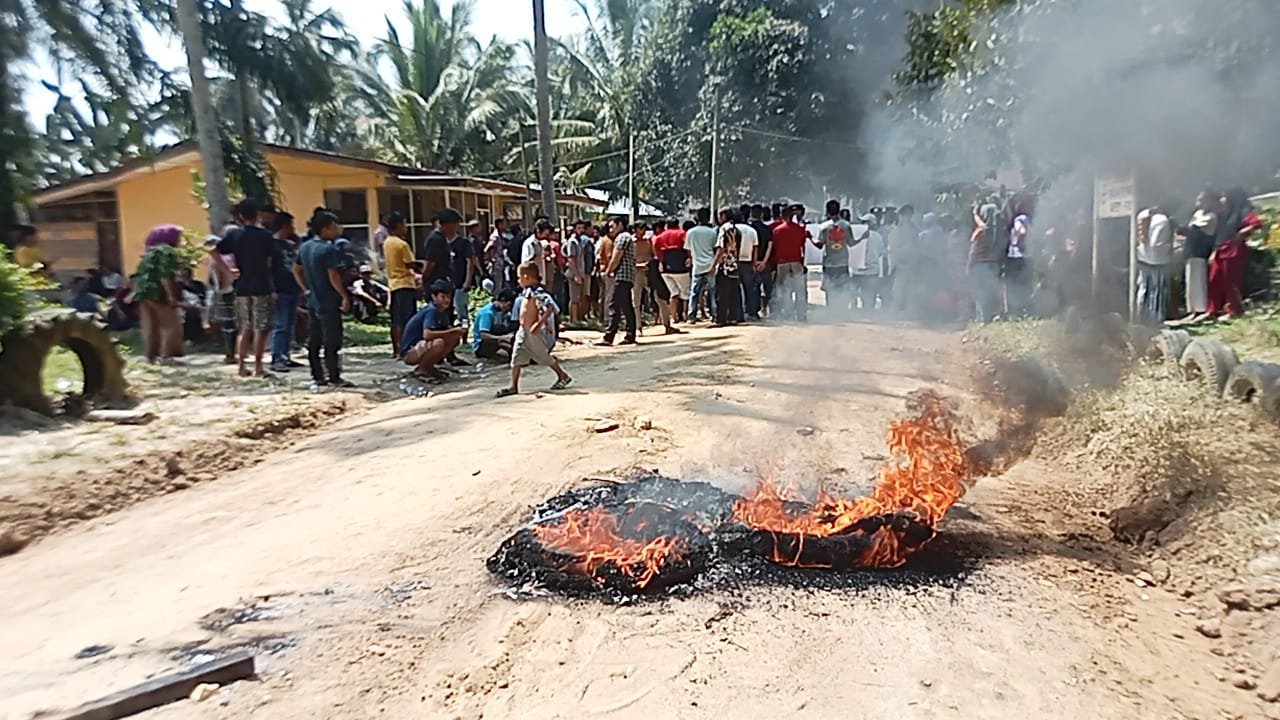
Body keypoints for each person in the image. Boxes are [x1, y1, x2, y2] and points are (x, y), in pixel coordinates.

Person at [212, 199, 282, 377]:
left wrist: (227, 271)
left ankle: (242, 366)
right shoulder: (265, 236)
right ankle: (258, 367)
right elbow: (270, 260)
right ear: (257, 214)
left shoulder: (235, 235)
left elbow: (213, 250)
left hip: (242, 285)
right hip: (262, 285)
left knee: (245, 327)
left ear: (240, 216)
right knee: (261, 327)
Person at [294, 209, 354, 388]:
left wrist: (305, 288)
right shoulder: (328, 249)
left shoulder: (305, 247)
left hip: (313, 300)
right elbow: (333, 275)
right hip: (328, 300)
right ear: (326, 228)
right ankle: (334, 376)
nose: (338, 229)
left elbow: (296, 270)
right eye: (335, 226)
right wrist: (344, 296)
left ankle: (317, 375)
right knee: (332, 340)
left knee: (315, 339)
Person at [496, 262, 573, 398]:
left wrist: (540, 324)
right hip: (523, 330)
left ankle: (563, 375)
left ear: (527, 277)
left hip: (533, 332)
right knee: (516, 356)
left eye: (519, 277)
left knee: (542, 356)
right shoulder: (527, 292)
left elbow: (550, 308)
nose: (518, 280)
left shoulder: (538, 292)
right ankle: (513, 386)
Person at [1206, 188, 1263, 321]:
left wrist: (1241, 233)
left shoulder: (1243, 211)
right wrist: (1214, 252)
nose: (1221, 200)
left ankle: (1234, 310)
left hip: (1234, 251)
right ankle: (1212, 310)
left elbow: (1256, 223)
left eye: (1224, 197)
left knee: (1231, 281)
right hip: (1221, 250)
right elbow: (1220, 236)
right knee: (1214, 280)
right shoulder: (1224, 214)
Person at [131, 225, 185, 364]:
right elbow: (165, 276)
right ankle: (167, 356)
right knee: (171, 325)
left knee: (150, 326)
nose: (180, 240)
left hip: (143, 292)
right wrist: (171, 296)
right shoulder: (167, 252)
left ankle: (151, 357)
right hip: (158, 292)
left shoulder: (147, 253)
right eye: (178, 237)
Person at [401, 280, 465, 381]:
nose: (446, 300)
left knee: (454, 339)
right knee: (438, 343)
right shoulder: (432, 311)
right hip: (411, 351)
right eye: (443, 297)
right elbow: (427, 334)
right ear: (434, 297)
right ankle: (422, 369)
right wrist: (452, 331)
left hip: (420, 347)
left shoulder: (442, 311)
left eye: (448, 297)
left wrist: (454, 330)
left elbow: (444, 330)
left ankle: (428, 366)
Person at [1172, 191, 1218, 325]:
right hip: (1191, 251)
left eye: (1202, 201)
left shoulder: (1211, 216)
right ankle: (1191, 311)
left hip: (1200, 251)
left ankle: (1200, 310)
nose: (1199, 203)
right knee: (1190, 283)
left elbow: (1194, 231)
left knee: (1198, 282)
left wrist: (1177, 226)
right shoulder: (1197, 214)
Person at [268, 211, 304, 372]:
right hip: (280, 289)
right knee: (281, 325)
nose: (293, 228)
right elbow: (267, 269)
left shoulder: (288, 245)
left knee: (290, 324)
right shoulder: (271, 245)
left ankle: (286, 355)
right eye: (291, 225)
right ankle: (277, 357)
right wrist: (271, 289)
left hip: (292, 288)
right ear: (284, 226)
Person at [381, 212, 419, 358]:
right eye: (404, 224)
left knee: (396, 319)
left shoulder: (387, 242)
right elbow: (410, 263)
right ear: (398, 226)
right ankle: (406, 346)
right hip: (405, 283)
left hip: (393, 283)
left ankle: (396, 349)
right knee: (408, 318)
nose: (406, 227)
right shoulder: (402, 244)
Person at [598, 216, 638, 346]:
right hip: (628, 276)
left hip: (622, 275)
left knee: (614, 305)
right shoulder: (627, 237)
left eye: (612, 226)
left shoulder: (622, 237)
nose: (610, 229)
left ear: (620, 224)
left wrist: (609, 271)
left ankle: (609, 336)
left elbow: (616, 257)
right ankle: (630, 334)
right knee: (626, 306)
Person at [1136, 206, 1175, 325]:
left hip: (1142, 257)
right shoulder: (1162, 220)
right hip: (1159, 259)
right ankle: (1156, 319)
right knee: (1158, 290)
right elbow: (1156, 243)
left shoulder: (1142, 215)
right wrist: (1169, 250)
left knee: (1143, 288)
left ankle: (1141, 316)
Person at [771, 203, 810, 321]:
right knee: (800, 290)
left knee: (784, 290)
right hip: (796, 262)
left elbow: (775, 248)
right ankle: (801, 315)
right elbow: (802, 247)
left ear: (782, 215)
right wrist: (803, 263)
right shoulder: (800, 229)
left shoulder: (777, 231)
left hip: (782, 263)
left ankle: (788, 315)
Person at [815, 200, 854, 313]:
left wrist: (810, 238)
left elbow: (819, 245)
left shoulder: (824, 227)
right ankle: (843, 311)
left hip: (829, 263)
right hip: (843, 261)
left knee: (829, 289)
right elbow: (851, 243)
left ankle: (831, 311)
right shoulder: (846, 225)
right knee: (843, 288)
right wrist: (861, 239)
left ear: (827, 211)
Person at [968, 202, 1004, 323]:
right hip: (994, 264)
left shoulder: (980, 231)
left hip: (979, 265)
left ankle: (982, 319)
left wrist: (969, 266)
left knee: (980, 292)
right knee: (990, 292)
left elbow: (974, 251)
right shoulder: (999, 231)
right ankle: (990, 317)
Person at [655, 217, 691, 329]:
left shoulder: (660, 236)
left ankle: (674, 317)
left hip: (666, 267)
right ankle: (685, 315)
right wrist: (689, 257)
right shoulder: (682, 233)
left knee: (673, 293)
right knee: (685, 293)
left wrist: (661, 262)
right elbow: (687, 246)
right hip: (681, 266)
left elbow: (656, 248)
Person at [686, 208, 719, 323]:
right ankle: (715, 315)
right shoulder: (712, 232)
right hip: (710, 264)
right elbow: (716, 249)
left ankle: (692, 316)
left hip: (697, 265)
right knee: (713, 291)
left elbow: (688, 250)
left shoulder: (690, 232)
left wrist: (693, 259)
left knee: (694, 292)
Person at [450, 220, 481, 327]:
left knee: (461, 311)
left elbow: (471, 260)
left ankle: (464, 337)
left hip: (460, 283)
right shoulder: (441, 242)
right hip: (448, 284)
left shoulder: (464, 243)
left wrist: (468, 281)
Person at [1004, 204, 1033, 319]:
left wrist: (1017, 243)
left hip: (1016, 257)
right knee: (1024, 285)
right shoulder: (1029, 220)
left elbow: (1022, 232)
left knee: (1013, 285)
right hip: (1026, 257)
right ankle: (1023, 311)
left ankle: (1015, 312)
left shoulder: (1019, 219)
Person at [472, 288, 517, 360]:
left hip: (496, 337)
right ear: (502, 301)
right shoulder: (487, 313)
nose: (509, 309)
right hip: (481, 345)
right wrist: (502, 337)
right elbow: (483, 335)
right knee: (503, 342)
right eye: (508, 305)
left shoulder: (504, 313)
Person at [712, 221, 743, 327]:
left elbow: (721, 249)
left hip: (724, 266)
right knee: (733, 293)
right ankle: (732, 318)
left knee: (721, 294)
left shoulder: (723, 230)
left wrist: (714, 265)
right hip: (734, 265)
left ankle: (721, 319)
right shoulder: (737, 231)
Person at [749, 204, 774, 318]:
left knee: (754, 288)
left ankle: (754, 311)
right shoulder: (767, 229)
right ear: (762, 214)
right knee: (768, 287)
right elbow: (770, 246)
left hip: (751, 262)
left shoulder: (749, 229)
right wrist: (764, 261)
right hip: (765, 263)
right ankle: (770, 310)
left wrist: (754, 262)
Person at [422, 208, 458, 288]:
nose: (456, 228)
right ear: (448, 224)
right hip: (437, 285)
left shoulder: (442, 238)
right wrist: (423, 280)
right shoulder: (435, 239)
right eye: (455, 225)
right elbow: (430, 264)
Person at [563, 220, 589, 324]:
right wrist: (577, 274)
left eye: (582, 228)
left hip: (581, 273)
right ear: (574, 229)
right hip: (574, 274)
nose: (581, 230)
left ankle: (578, 318)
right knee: (574, 298)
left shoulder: (580, 241)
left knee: (579, 297)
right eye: (579, 228)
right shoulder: (572, 242)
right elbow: (571, 259)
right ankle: (573, 319)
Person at [177, 267, 207, 343]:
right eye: (184, 276)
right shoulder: (177, 286)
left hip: (199, 306)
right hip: (184, 307)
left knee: (203, 312)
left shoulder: (199, 285)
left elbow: (203, 297)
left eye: (188, 275)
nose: (186, 277)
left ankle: (199, 336)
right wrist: (185, 305)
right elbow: (175, 301)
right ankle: (189, 337)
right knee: (188, 314)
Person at [595, 222, 616, 322]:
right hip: (608, 270)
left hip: (602, 270)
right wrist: (611, 269)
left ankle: (602, 317)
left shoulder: (602, 240)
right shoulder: (608, 241)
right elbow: (609, 256)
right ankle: (608, 318)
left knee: (603, 295)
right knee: (609, 295)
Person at [522, 219, 553, 284]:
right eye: (544, 234)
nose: (545, 236)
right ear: (538, 231)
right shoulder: (530, 243)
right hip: (531, 278)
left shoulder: (540, 243)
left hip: (540, 276)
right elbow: (527, 262)